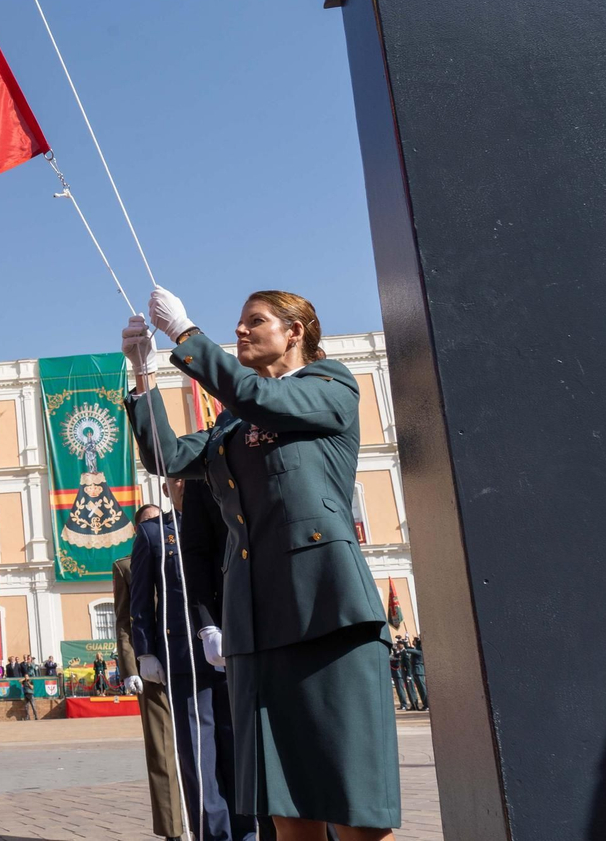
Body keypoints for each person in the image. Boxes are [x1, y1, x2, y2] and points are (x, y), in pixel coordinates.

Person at [124, 288, 400, 840]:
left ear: (295, 332)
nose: (242, 331)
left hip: (326, 607)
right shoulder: (231, 424)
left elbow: (261, 399)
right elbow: (168, 458)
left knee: (353, 792)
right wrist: (143, 378)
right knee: (282, 796)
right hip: (254, 620)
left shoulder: (331, 384)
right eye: (240, 323)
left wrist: (185, 334)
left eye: (257, 321)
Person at [133, 489, 252, 841]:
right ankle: (214, 835)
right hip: (184, 655)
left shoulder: (227, 521)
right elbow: (141, 597)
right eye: (181, 479)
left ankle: (246, 831)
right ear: (168, 488)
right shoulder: (154, 532)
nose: (189, 485)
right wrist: (145, 650)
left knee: (237, 752)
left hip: (232, 653)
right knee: (199, 758)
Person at [114, 538, 184, 841]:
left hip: (192, 660)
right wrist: (131, 669)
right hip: (151, 669)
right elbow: (124, 623)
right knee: (162, 752)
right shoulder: (125, 567)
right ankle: (172, 829)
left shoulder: (187, 554)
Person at [407, 637, 428, 710]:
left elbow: (408, 650)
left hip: (419, 671)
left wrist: (405, 643)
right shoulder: (416, 650)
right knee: (420, 690)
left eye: (414, 641)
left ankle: (427, 704)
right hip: (416, 671)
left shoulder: (419, 651)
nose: (413, 642)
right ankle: (425, 704)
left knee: (423, 689)